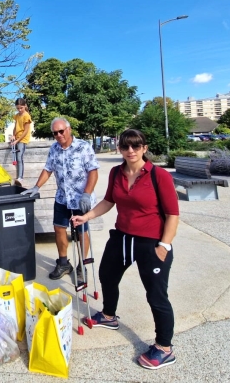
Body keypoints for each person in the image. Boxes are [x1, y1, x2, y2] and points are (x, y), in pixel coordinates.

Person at [71, 129, 179, 369]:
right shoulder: (116, 172)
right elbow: (109, 201)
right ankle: (109, 316)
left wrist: (164, 245)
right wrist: (85, 216)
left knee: (156, 296)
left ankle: (164, 347)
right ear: (119, 148)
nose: (131, 151)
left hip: (151, 243)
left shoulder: (158, 175)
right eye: (125, 146)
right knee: (107, 276)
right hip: (122, 237)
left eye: (136, 146)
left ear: (144, 148)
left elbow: (172, 214)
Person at [22, 117, 98, 281]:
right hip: (63, 198)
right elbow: (48, 169)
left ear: (69, 130)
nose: (58, 135)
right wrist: (36, 187)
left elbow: (93, 171)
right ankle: (63, 263)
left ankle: (82, 266)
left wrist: (87, 193)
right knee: (59, 229)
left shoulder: (83, 147)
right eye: (55, 133)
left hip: (80, 198)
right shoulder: (54, 149)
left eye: (61, 131)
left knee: (81, 231)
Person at [11, 98, 32, 187]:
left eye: (21, 108)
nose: (19, 110)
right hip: (17, 138)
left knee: (20, 158)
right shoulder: (17, 116)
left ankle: (20, 177)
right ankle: (18, 177)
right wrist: (13, 135)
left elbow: (25, 131)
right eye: (18, 108)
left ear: (25, 106)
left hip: (23, 139)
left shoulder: (26, 116)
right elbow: (16, 127)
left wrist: (17, 140)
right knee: (16, 157)